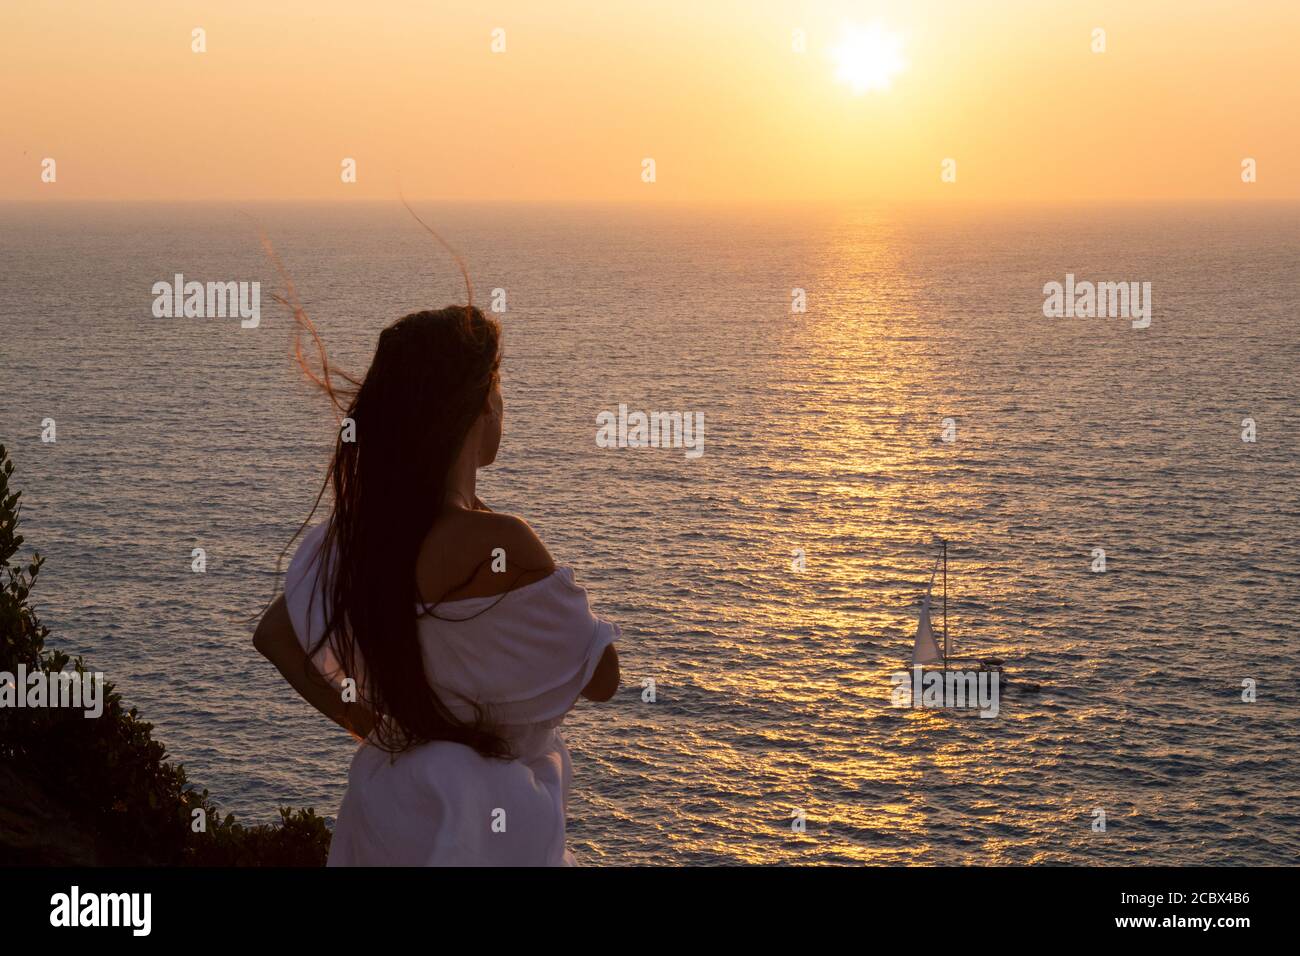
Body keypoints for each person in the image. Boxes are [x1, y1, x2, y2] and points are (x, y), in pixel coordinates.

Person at [253, 304, 620, 865]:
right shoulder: (503, 542)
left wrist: (374, 725)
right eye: (498, 390)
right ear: (478, 408)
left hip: (388, 803)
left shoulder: (358, 542)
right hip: (490, 821)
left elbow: (275, 635)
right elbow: (602, 678)